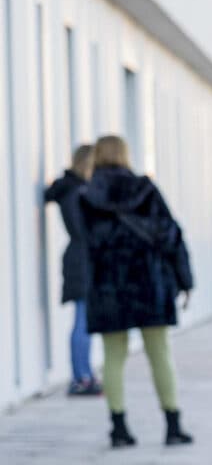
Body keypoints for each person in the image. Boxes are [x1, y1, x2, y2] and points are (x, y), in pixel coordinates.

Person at [78, 135, 194, 448]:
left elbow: (88, 244)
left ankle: (119, 429)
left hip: (108, 286)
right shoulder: (146, 188)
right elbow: (171, 234)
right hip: (149, 283)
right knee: (160, 354)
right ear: (125, 155)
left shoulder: (86, 195)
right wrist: (185, 280)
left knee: (113, 358)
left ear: (98, 157)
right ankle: (172, 425)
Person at [44, 144, 101, 396]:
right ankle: (81, 377)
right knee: (82, 319)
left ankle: (84, 373)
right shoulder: (78, 192)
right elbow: (86, 229)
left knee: (83, 319)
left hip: (79, 256)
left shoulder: (71, 189)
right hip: (82, 259)